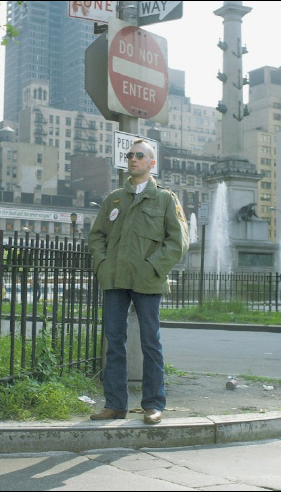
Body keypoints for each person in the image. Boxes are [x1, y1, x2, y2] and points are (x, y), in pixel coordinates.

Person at [88, 138, 189, 425]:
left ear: (152, 163)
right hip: (115, 279)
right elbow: (97, 236)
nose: (133, 159)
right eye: (130, 155)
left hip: (148, 280)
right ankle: (115, 404)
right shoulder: (114, 199)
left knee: (150, 342)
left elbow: (178, 241)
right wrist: (103, 264)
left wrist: (153, 266)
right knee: (114, 343)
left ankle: (154, 404)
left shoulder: (165, 199)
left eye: (140, 155)